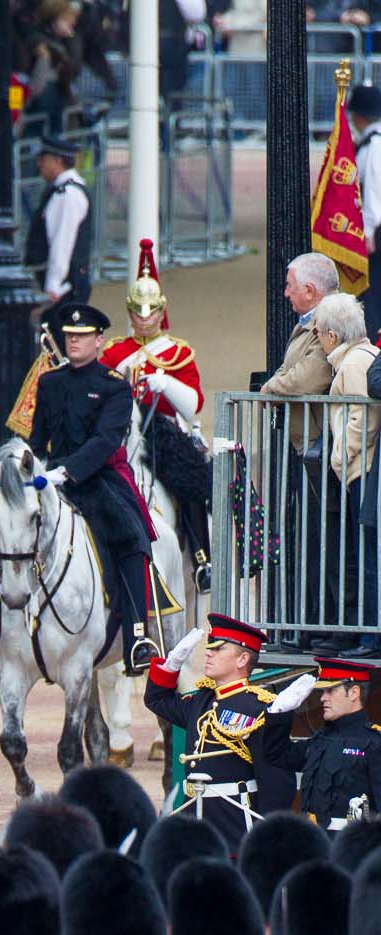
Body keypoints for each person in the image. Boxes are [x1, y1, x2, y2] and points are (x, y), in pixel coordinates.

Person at [0, 304, 157, 674]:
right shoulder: (50, 382)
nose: (74, 342)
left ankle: (138, 635)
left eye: (82, 336)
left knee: (132, 536)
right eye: (70, 336)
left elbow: (106, 441)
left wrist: (67, 472)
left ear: (99, 340)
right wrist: (20, 468)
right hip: (47, 480)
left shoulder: (114, 386)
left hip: (97, 479)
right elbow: (37, 438)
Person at [144, 615, 314, 845]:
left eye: (218, 649)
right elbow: (157, 701)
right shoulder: (202, 700)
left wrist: (268, 831)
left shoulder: (257, 707)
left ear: (242, 659)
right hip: (194, 818)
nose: (208, 653)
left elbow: (274, 775)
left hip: (234, 822)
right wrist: (171, 664)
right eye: (209, 648)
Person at [103, 238, 213, 592]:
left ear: (161, 309)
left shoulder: (177, 352)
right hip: (123, 430)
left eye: (151, 311)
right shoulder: (113, 352)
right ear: (130, 311)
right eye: (138, 311)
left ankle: (200, 558)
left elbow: (193, 404)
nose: (145, 318)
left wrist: (164, 382)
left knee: (189, 480)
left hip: (165, 433)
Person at [313, 291, 379, 654]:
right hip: (362, 470)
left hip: (362, 473)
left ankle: (370, 638)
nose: (319, 340)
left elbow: (361, 419)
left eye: (320, 332)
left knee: (367, 556)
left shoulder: (354, 364)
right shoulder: (358, 358)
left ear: (333, 335)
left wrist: (341, 460)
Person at [284, 659, 381, 827]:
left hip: (352, 846)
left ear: (353, 693)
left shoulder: (374, 742)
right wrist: (279, 713)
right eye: (322, 692)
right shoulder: (320, 739)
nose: (322, 698)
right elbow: (278, 756)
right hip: (313, 843)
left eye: (330, 691)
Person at [27, 134, 92, 309]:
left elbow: (62, 241)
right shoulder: (63, 191)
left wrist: (53, 284)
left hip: (65, 287)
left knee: (58, 334)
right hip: (66, 283)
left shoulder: (67, 194)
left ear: (57, 161)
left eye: (43, 159)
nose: (39, 163)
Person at [261, 252, 339, 398]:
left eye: (290, 285)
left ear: (309, 291)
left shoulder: (331, 325)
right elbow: (287, 367)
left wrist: (269, 388)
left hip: (314, 420)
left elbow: (308, 379)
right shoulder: (309, 322)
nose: (286, 293)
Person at [350, 84, 381, 342]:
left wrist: (369, 230)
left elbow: (373, 190)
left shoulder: (374, 145)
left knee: (371, 293)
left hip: (375, 232)